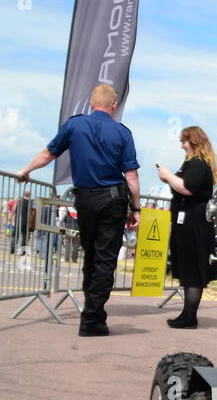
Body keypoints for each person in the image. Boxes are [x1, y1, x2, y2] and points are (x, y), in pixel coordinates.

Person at [16, 83, 141, 336]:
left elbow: (47, 154)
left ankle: (92, 314)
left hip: (85, 199)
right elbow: (132, 177)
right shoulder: (122, 132)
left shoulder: (74, 125)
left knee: (92, 256)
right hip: (113, 199)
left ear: (91, 103)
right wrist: (135, 208)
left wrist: (25, 170)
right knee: (106, 259)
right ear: (114, 106)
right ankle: (92, 317)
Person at [157, 126, 217, 329]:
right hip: (189, 223)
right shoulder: (195, 163)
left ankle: (189, 315)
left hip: (194, 224)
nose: (182, 145)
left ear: (194, 141)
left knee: (192, 268)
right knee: (188, 267)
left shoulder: (199, 164)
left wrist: (167, 176)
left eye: (184, 141)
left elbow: (187, 188)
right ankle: (188, 313)